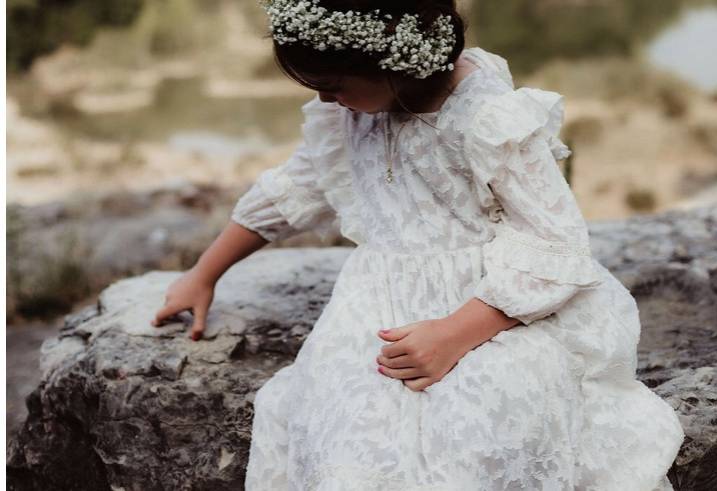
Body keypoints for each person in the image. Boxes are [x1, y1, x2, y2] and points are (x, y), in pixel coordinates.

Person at [151, 0, 685, 489]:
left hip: (495, 306)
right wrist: (204, 273)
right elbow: (296, 188)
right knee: (346, 434)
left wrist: (456, 332)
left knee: (479, 426)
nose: (323, 99)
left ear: (396, 63)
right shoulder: (351, 112)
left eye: (333, 84)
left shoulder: (486, 117)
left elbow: (554, 240)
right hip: (378, 303)